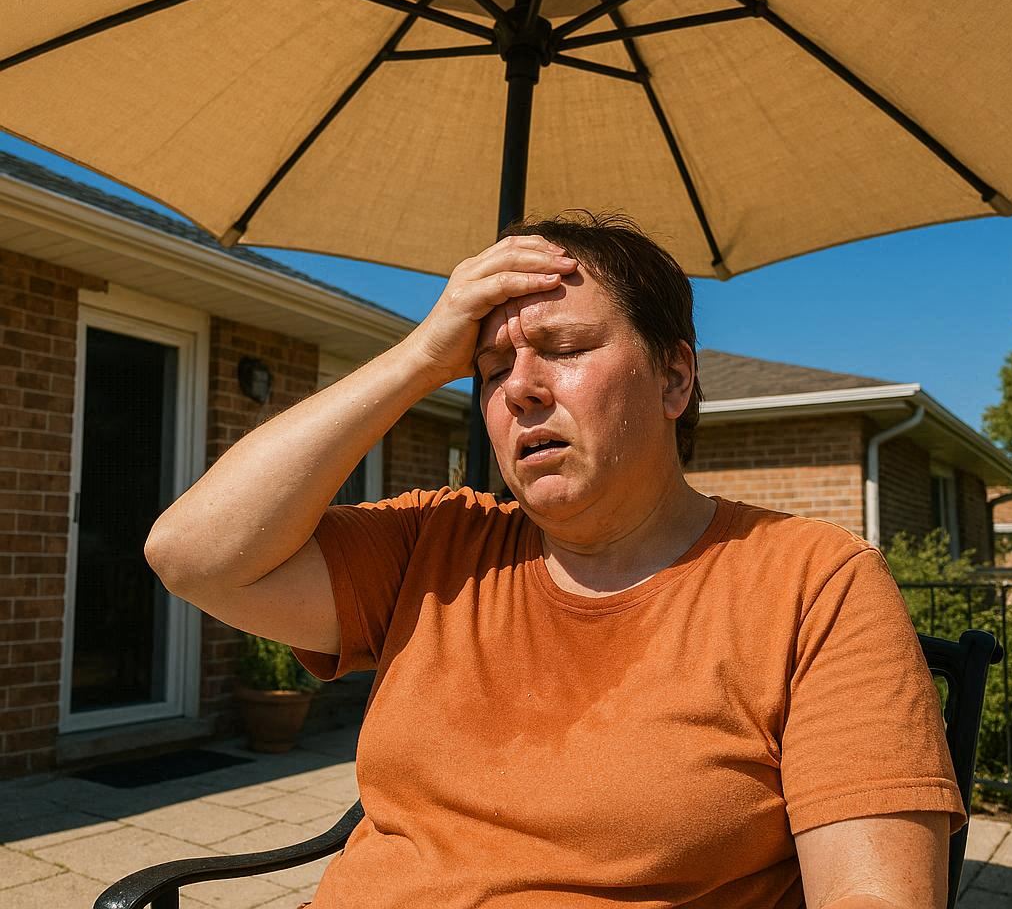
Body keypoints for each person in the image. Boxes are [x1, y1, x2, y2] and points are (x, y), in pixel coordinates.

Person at [146, 211, 966, 909]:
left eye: (565, 347)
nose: (520, 389)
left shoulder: (811, 581)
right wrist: (421, 357)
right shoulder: (437, 544)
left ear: (674, 377)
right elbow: (192, 556)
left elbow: (874, 895)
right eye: (490, 370)